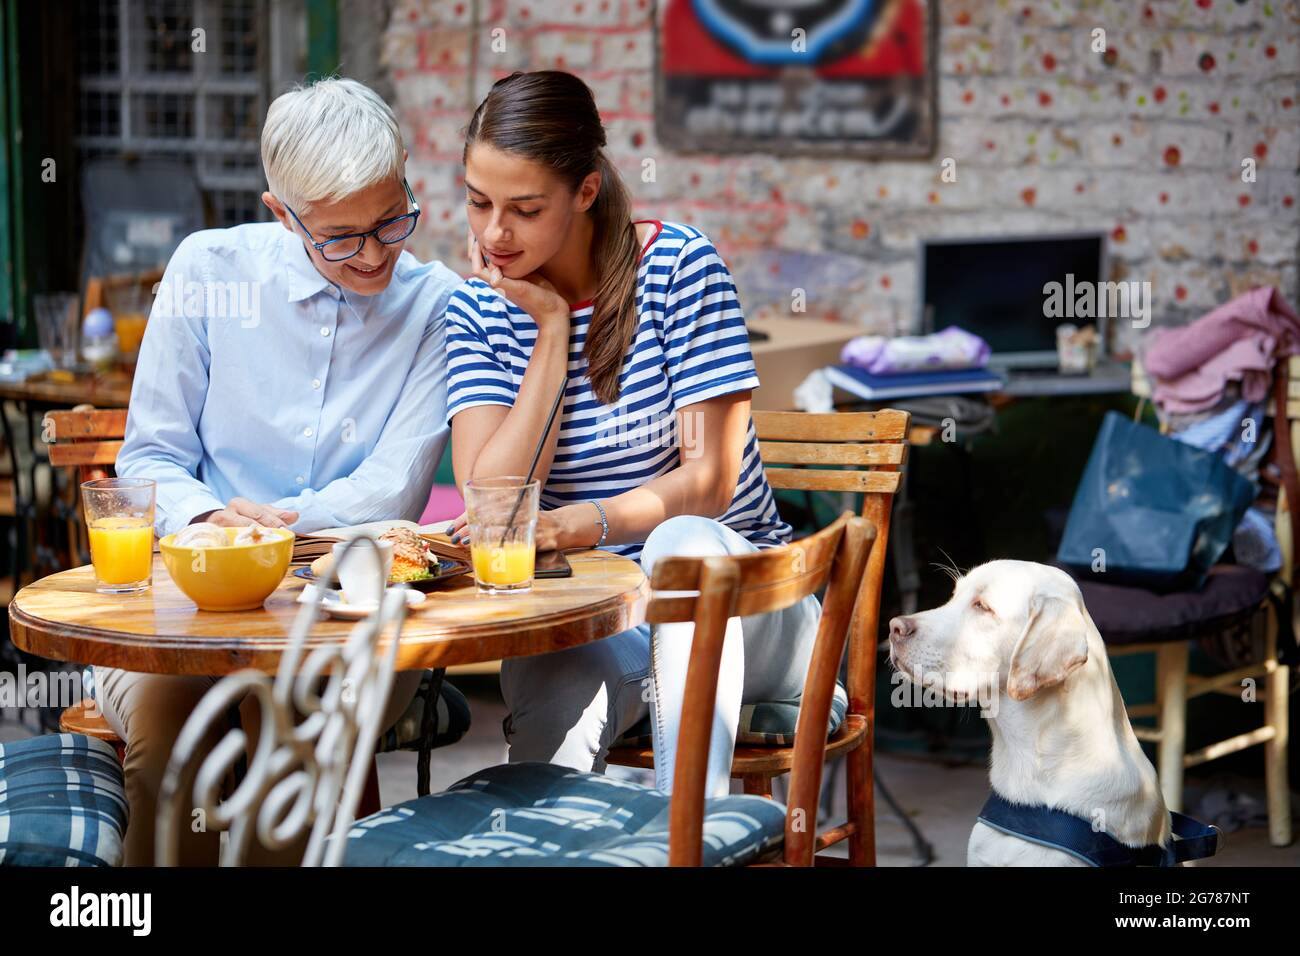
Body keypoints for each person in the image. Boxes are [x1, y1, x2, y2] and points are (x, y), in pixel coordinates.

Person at [104, 77, 460, 865]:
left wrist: (270, 531)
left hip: (351, 619)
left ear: (406, 174)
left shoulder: (438, 305)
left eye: (391, 219)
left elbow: (395, 489)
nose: (374, 254)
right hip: (187, 612)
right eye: (340, 237)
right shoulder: (208, 270)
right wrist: (207, 520)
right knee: (171, 742)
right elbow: (151, 455)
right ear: (281, 213)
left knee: (289, 716)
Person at [444, 71, 814, 800]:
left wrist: (589, 521)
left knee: (683, 548)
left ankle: (692, 841)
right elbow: (496, 507)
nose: (494, 233)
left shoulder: (678, 268)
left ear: (585, 190)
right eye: (478, 201)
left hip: (751, 606)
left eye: (524, 208)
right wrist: (551, 334)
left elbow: (711, 484)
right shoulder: (479, 310)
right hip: (608, 619)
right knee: (554, 669)